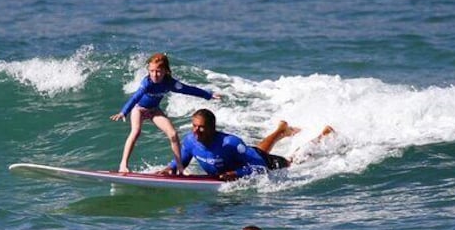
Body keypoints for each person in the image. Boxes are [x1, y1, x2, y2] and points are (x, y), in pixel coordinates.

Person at [110, 53, 220, 173]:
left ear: (165, 71)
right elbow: (135, 98)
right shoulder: (147, 83)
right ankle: (123, 165)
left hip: (154, 110)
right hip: (139, 109)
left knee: (173, 134)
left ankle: (179, 168)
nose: (154, 75)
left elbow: (188, 89)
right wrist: (124, 112)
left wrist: (208, 95)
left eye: (158, 71)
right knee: (136, 132)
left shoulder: (170, 83)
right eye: (151, 71)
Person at [157, 108, 334, 181]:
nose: (196, 131)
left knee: (293, 161)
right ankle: (281, 130)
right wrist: (169, 169)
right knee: (258, 149)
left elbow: (259, 165)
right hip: (246, 156)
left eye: (201, 128)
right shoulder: (190, 141)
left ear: (212, 128)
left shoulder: (230, 143)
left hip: (263, 162)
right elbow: (181, 161)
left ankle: (322, 137)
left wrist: (236, 173)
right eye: (194, 126)